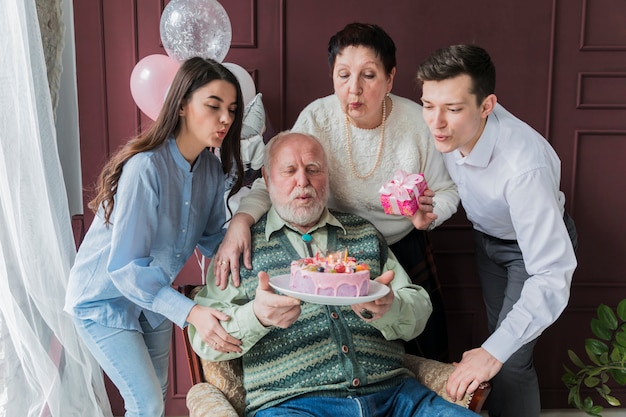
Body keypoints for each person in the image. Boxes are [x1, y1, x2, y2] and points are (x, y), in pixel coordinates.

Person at [214, 22, 460, 362]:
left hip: (402, 245)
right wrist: (240, 221)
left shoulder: (418, 122)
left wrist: (428, 218)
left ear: (390, 78)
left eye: (369, 76)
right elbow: (274, 179)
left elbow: (448, 191)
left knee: (421, 345)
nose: (354, 89)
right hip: (337, 245)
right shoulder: (317, 117)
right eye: (343, 75)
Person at [190, 131, 478, 417]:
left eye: (313, 170)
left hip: (396, 397)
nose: (303, 181)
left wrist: (391, 307)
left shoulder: (363, 234)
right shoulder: (240, 249)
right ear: (266, 178)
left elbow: (419, 310)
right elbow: (203, 339)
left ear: (327, 175)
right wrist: (256, 317)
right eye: (289, 171)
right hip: (293, 405)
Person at [64, 57, 246, 417]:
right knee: (145, 403)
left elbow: (211, 239)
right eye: (213, 106)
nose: (225, 118)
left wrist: (246, 227)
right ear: (181, 105)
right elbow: (126, 269)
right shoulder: (145, 168)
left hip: (152, 296)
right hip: (104, 300)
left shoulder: (210, 168)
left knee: (155, 399)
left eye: (232, 109)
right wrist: (192, 312)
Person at [416, 44, 578, 417]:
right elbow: (452, 186)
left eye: (453, 109)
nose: (436, 122)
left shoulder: (524, 168)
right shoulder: (445, 124)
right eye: (428, 105)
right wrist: (432, 213)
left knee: (509, 357)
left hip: (532, 251)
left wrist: (493, 352)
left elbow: (552, 273)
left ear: (486, 106)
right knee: (500, 340)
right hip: (486, 239)